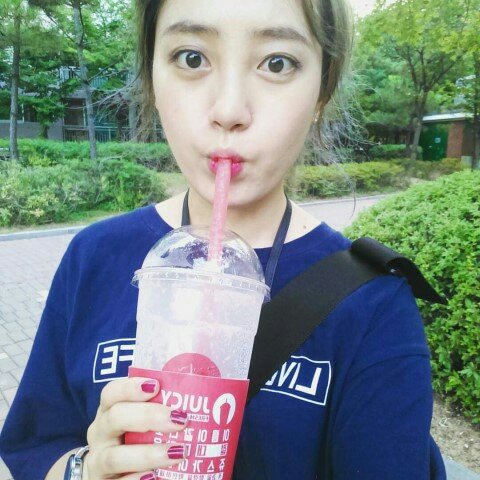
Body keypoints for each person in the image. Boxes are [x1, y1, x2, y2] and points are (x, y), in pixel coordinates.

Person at [0, 0, 447, 479]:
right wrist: (85, 470)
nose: (229, 110)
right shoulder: (94, 255)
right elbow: (39, 445)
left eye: (277, 63)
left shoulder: (373, 305)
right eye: (191, 57)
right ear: (152, 81)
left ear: (322, 92)